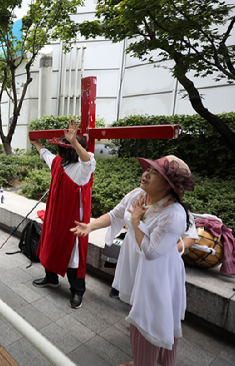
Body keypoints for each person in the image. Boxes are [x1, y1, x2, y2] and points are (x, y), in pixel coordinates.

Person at [71, 155, 195, 366]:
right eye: (148, 169)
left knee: (150, 321)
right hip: (137, 266)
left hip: (156, 272)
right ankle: (141, 361)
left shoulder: (174, 214)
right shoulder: (139, 195)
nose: (145, 174)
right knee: (140, 315)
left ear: (168, 185)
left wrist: (136, 221)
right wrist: (90, 226)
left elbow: (150, 252)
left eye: (154, 173)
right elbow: (116, 214)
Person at [30, 120, 95, 309]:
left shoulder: (82, 170)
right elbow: (46, 154)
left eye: (62, 148)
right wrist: (36, 144)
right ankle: (51, 278)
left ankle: (77, 291)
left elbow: (88, 160)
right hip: (54, 215)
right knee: (50, 244)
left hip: (72, 219)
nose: (58, 152)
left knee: (73, 255)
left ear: (71, 151)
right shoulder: (58, 162)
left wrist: (74, 142)